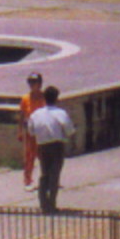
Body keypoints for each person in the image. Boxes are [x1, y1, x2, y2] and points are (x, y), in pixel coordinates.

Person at [26, 85, 75, 213]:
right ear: (56, 99)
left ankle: (43, 203)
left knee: (44, 174)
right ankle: (52, 204)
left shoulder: (36, 114)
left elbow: (31, 131)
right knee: (54, 175)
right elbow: (69, 130)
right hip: (56, 145)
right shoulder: (60, 113)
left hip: (42, 146)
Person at [16, 72, 45, 190]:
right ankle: (27, 180)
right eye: (31, 83)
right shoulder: (25, 99)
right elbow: (22, 116)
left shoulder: (44, 97)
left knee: (43, 156)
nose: (32, 85)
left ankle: (47, 179)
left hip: (43, 132)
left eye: (35, 82)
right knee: (29, 156)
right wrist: (20, 131)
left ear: (40, 84)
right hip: (30, 132)